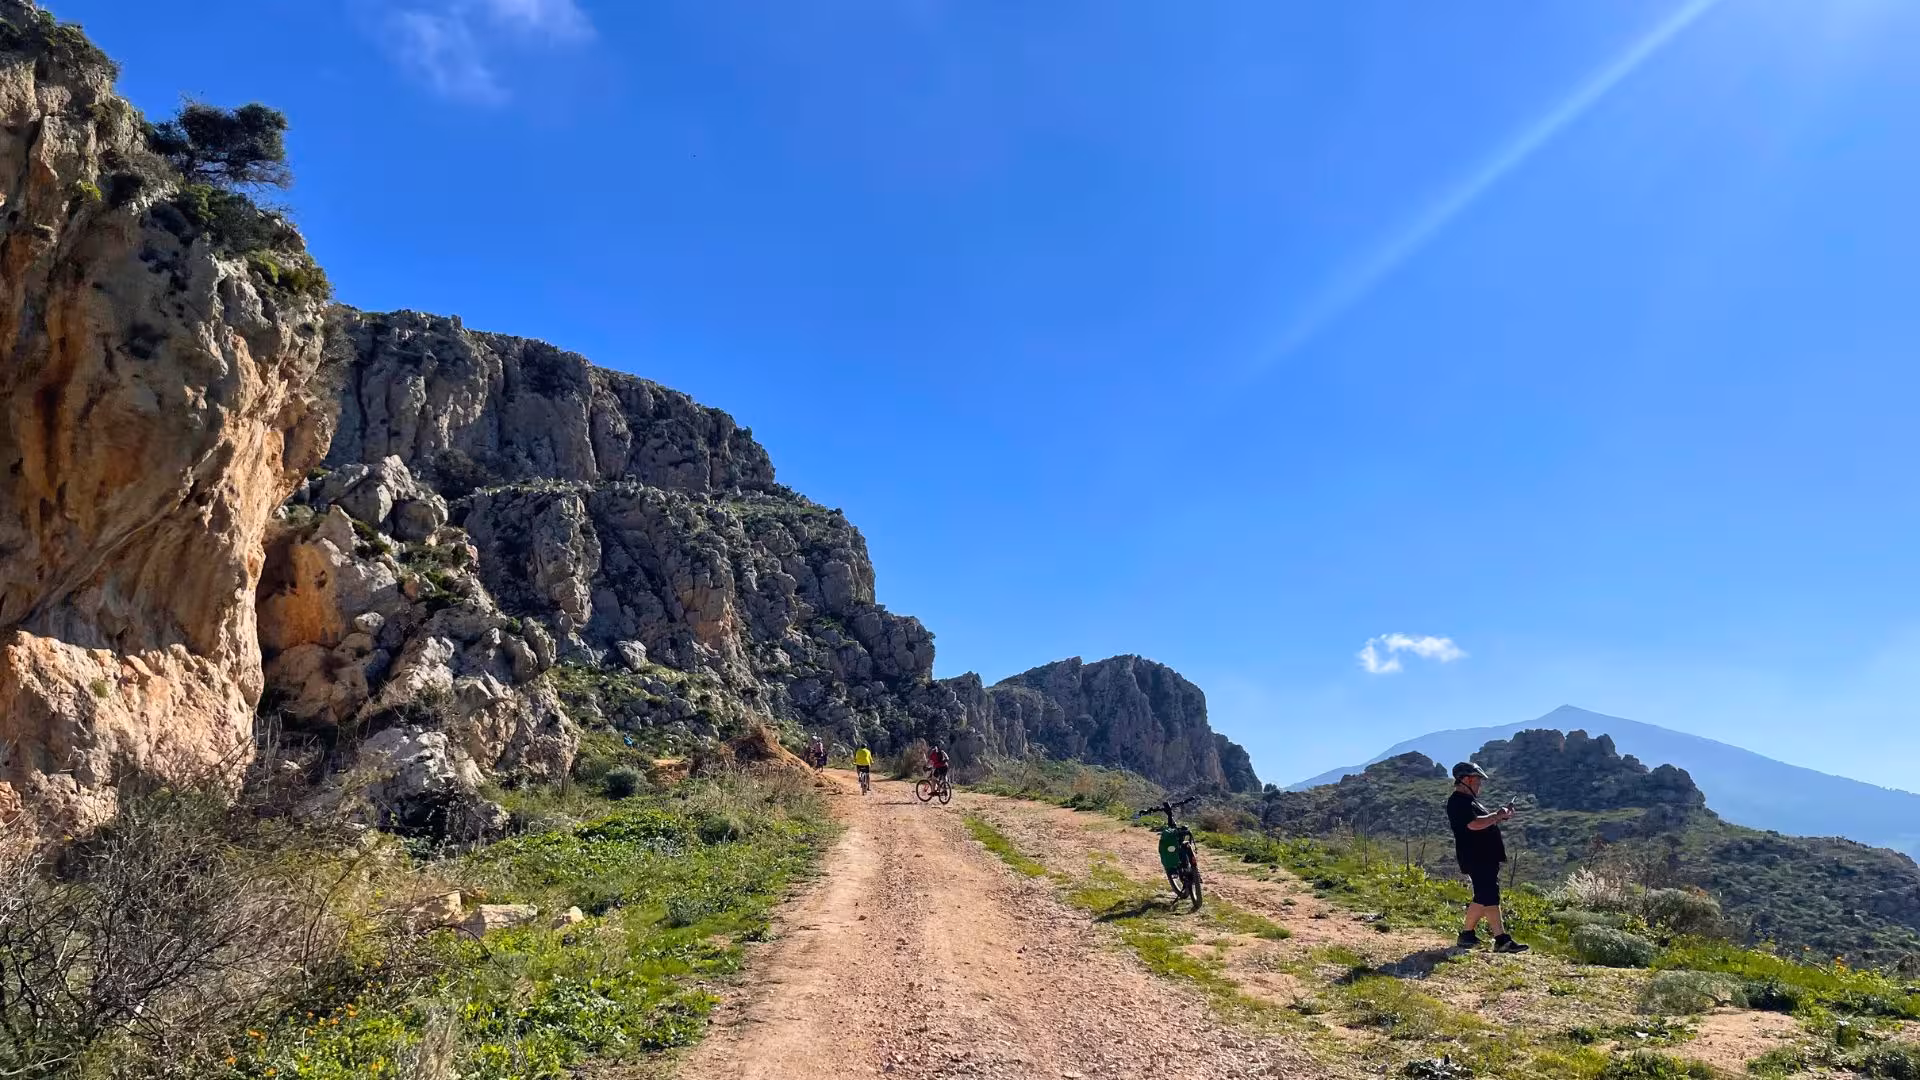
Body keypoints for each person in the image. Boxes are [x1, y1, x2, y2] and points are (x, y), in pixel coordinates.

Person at [1447, 761, 1528, 953]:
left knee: (1488, 896)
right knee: (1486, 895)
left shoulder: (1469, 801)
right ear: (1465, 779)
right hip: (1476, 857)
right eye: (1477, 780)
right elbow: (1473, 824)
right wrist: (1497, 816)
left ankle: (1484, 937)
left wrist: (1500, 816)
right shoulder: (1458, 801)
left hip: (1484, 856)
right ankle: (1491, 938)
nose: (1479, 784)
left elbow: (1482, 822)